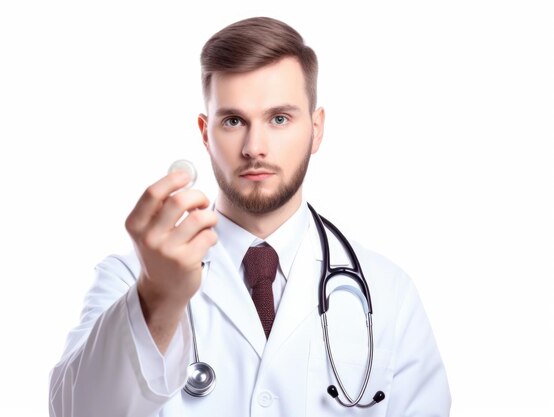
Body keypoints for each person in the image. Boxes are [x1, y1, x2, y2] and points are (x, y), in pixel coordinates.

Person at [49, 16, 451, 417]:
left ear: (316, 129)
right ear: (206, 133)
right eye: (234, 121)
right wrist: (157, 298)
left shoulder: (388, 293)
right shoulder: (129, 278)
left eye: (279, 119)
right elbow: (73, 411)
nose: (254, 147)